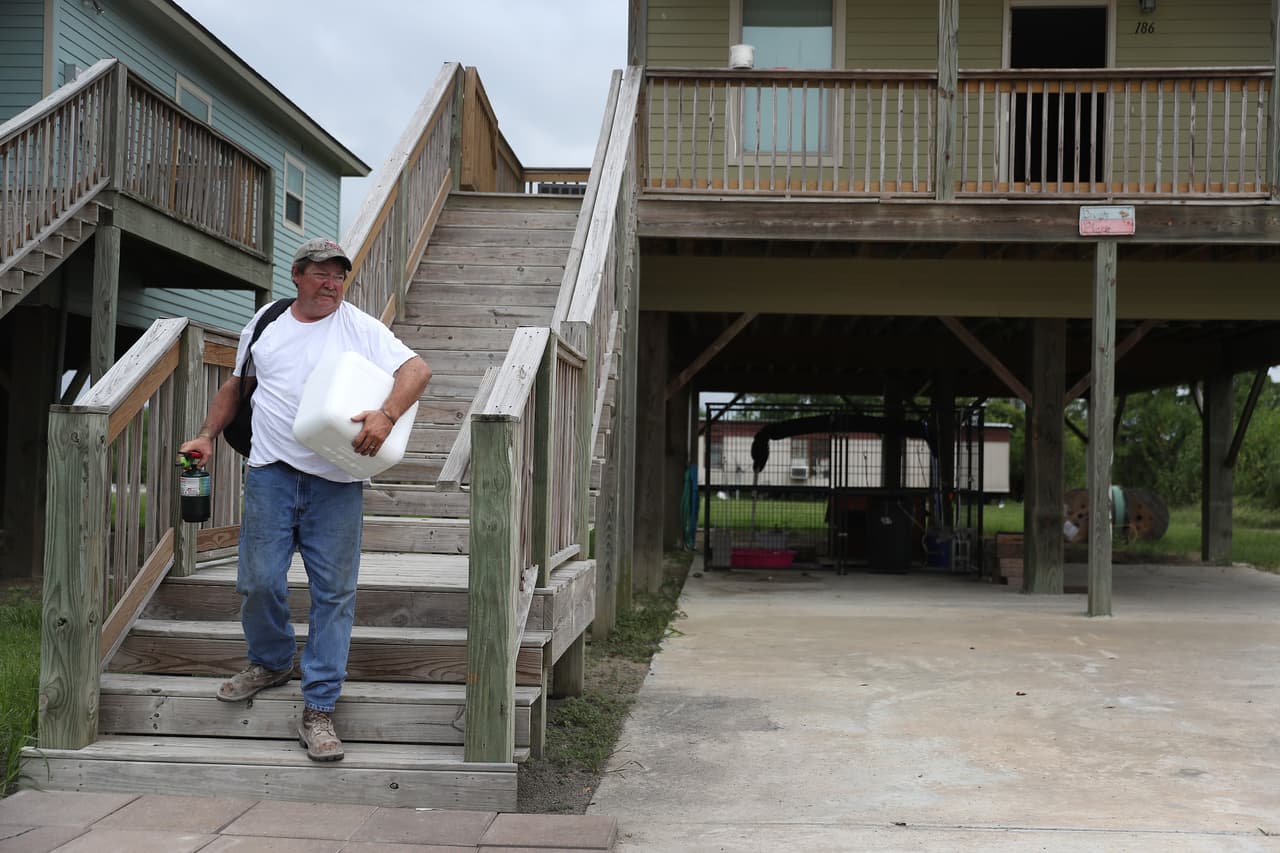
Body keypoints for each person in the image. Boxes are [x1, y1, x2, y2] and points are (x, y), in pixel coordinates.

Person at [179, 237, 432, 762]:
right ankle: (271, 661)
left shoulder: (358, 326)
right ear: (297, 275)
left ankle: (319, 708)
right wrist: (206, 434)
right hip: (270, 473)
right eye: (321, 273)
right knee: (257, 582)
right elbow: (238, 385)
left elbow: (417, 370)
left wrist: (385, 414)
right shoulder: (267, 322)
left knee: (334, 595)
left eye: (339, 275)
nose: (332, 283)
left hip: (336, 481)